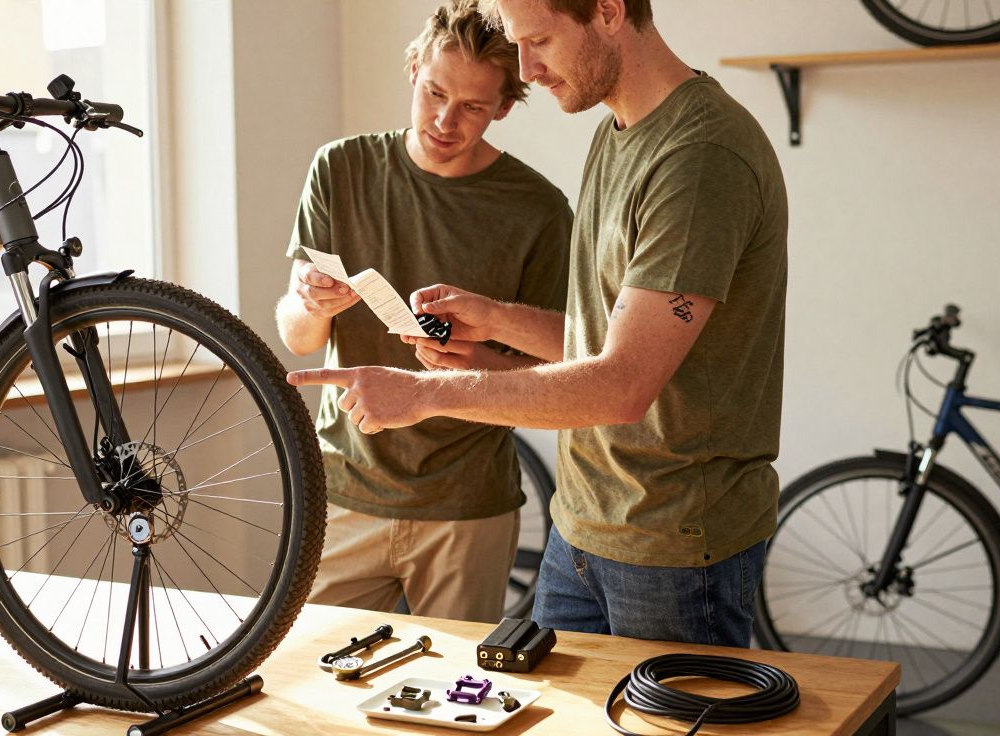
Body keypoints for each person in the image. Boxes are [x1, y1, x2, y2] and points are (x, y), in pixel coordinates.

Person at [288, 0, 789, 649]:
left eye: (540, 41)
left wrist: (422, 394)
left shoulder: (699, 157)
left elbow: (621, 384)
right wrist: (494, 321)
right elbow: (605, 339)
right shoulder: (620, 131)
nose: (526, 69)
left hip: (671, 541)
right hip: (583, 526)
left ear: (608, 11)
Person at [276, 0, 573, 624]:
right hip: (343, 487)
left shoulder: (539, 210)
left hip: (468, 505)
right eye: (435, 91)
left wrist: (471, 361)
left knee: (455, 701)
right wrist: (308, 301)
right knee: (313, 686)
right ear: (413, 68)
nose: (445, 120)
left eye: (472, 107)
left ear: (505, 107)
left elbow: (564, 367)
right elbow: (299, 340)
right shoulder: (340, 168)